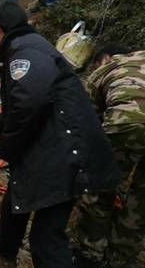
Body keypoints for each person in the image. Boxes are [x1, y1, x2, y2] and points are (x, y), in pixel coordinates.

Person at [0, 1, 119, 267]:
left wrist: (4, 149)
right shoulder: (30, 46)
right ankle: (5, 242)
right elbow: (17, 103)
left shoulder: (25, 53)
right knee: (18, 188)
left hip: (67, 153)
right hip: (61, 142)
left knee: (46, 238)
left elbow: (29, 101)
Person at [73, 44, 145, 268]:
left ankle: (88, 253)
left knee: (99, 187)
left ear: (104, 58)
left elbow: (89, 122)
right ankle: (118, 259)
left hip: (127, 123)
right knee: (141, 200)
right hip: (130, 123)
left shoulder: (107, 68)